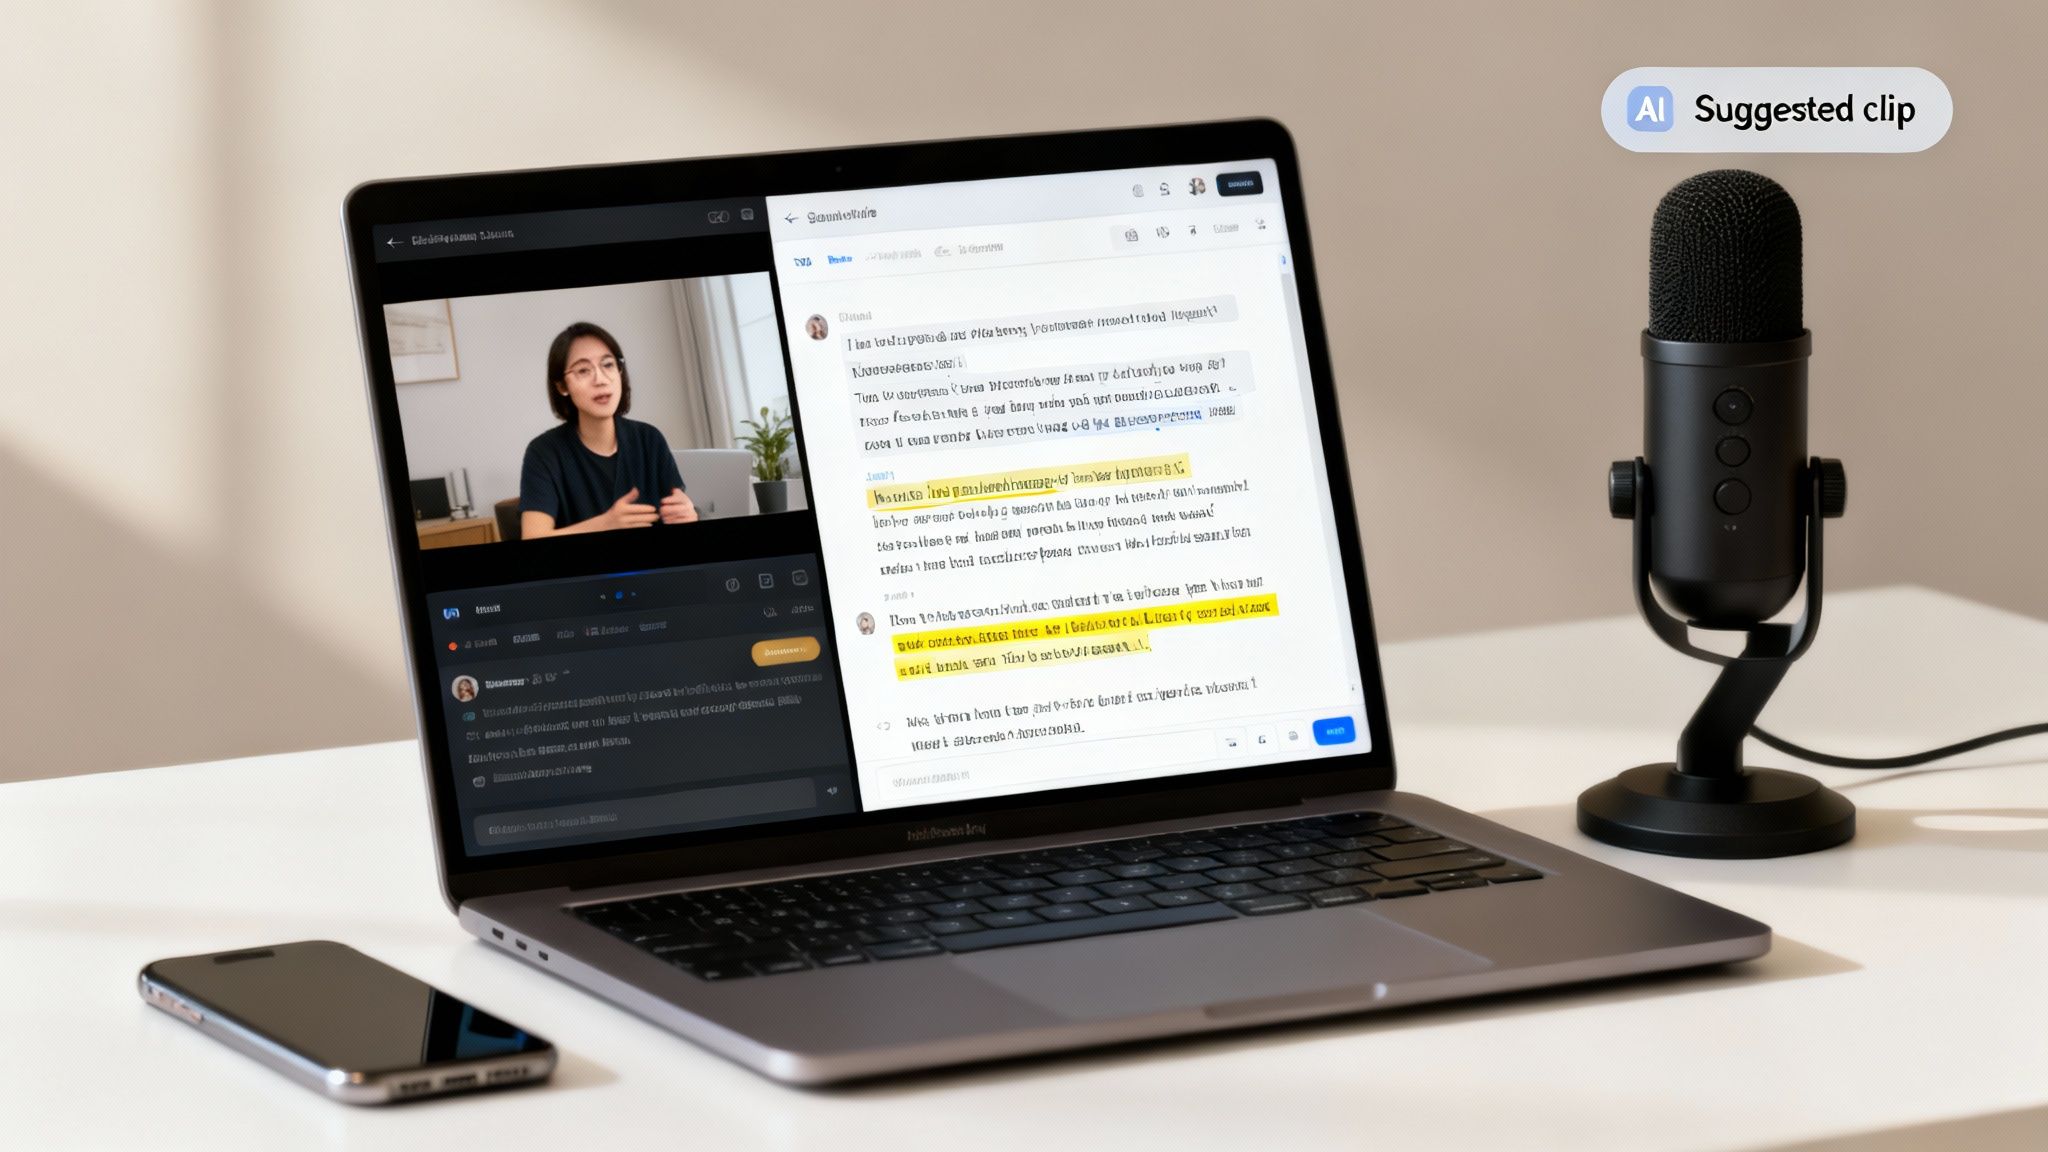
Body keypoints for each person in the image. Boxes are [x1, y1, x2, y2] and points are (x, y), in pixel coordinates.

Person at [519, 322, 698, 540]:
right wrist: (606, 524)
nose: (601, 380)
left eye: (608, 365)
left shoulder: (649, 438)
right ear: (562, 386)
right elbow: (533, 537)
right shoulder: (544, 452)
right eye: (583, 370)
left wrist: (688, 514)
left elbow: (676, 507)